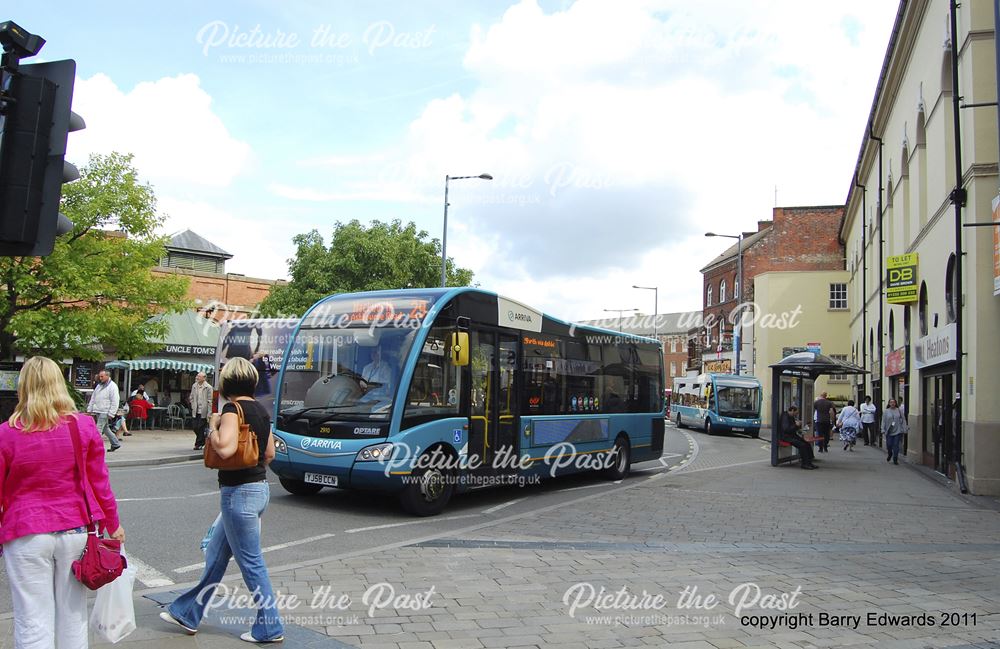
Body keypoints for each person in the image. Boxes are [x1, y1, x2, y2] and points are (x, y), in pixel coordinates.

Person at [0, 356, 125, 648]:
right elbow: (99, 482)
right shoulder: (82, 426)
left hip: (25, 532)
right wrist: (113, 523)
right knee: (72, 617)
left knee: (32, 619)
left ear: (24, 388)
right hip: (75, 531)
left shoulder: (6, 433)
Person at [161, 357, 284, 643]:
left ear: (226, 383)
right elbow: (269, 455)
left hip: (238, 495)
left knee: (252, 564)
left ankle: (270, 627)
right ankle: (188, 612)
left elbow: (226, 449)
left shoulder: (232, 410)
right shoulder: (261, 411)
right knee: (215, 557)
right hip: (258, 490)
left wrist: (213, 427)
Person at [87, 369, 122, 452]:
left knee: (98, 429)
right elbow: (93, 397)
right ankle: (115, 443)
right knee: (105, 429)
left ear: (107, 376)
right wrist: (90, 409)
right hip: (99, 409)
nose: (100, 378)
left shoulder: (112, 386)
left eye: (102, 376)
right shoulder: (99, 385)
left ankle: (95, 448)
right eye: (100, 376)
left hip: (105, 411)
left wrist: (111, 413)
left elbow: (115, 400)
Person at [778, 405, 817, 469]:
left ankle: (809, 462)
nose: (796, 415)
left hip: (792, 436)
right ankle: (805, 464)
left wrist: (802, 427)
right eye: (796, 413)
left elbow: (794, 429)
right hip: (786, 437)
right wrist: (796, 425)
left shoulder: (791, 416)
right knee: (802, 445)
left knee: (807, 444)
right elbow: (786, 429)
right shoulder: (785, 417)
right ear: (792, 410)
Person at [190, 371, 213, 451]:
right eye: (197, 376)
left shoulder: (208, 387)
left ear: (204, 378)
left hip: (204, 411)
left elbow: (210, 401)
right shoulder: (194, 386)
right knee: (195, 427)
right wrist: (192, 404)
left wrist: (209, 413)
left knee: (200, 427)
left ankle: (198, 444)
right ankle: (202, 440)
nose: (197, 377)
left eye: (199, 376)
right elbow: (191, 397)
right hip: (195, 410)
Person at [882, 398, 907, 465]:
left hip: (898, 430)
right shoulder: (886, 411)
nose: (892, 403)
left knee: (896, 445)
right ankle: (890, 453)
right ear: (889, 403)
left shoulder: (899, 411)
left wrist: (904, 428)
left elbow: (903, 419)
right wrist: (882, 429)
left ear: (895, 403)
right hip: (889, 430)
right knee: (889, 445)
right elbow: (883, 421)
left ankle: (895, 458)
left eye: (894, 402)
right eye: (891, 402)